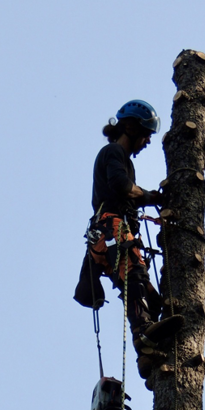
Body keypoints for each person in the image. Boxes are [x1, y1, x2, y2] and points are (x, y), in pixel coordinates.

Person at [82, 100, 183, 378]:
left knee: (152, 298)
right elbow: (122, 187)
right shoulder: (113, 152)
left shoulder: (123, 160)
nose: (148, 141)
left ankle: (146, 357)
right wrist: (150, 197)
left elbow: (126, 192)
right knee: (135, 276)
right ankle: (143, 335)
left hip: (111, 236)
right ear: (130, 128)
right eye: (145, 134)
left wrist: (146, 200)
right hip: (111, 231)